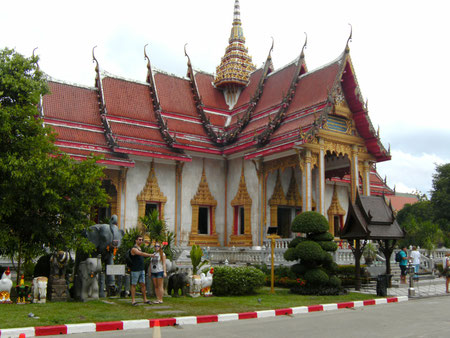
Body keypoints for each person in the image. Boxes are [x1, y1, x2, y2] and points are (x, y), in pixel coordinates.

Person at [130, 235, 154, 306]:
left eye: (141, 240)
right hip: (135, 269)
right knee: (134, 284)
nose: (140, 241)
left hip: (141, 269)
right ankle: (133, 300)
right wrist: (150, 255)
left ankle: (145, 299)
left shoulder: (140, 248)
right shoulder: (134, 249)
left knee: (143, 284)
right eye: (139, 240)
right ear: (136, 240)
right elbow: (141, 254)